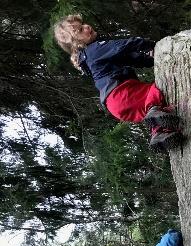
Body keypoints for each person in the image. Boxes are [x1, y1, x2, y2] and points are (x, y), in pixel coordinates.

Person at [53, 14, 181, 151]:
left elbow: (131, 58)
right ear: (76, 42)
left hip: (115, 105)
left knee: (156, 111)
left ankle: (159, 132)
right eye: (80, 30)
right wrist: (156, 46)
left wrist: (151, 58)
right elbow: (125, 45)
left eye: (83, 24)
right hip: (121, 93)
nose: (87, 26)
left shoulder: (90, 60)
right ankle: (154, 114)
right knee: (158, 89)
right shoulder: (94, 49)